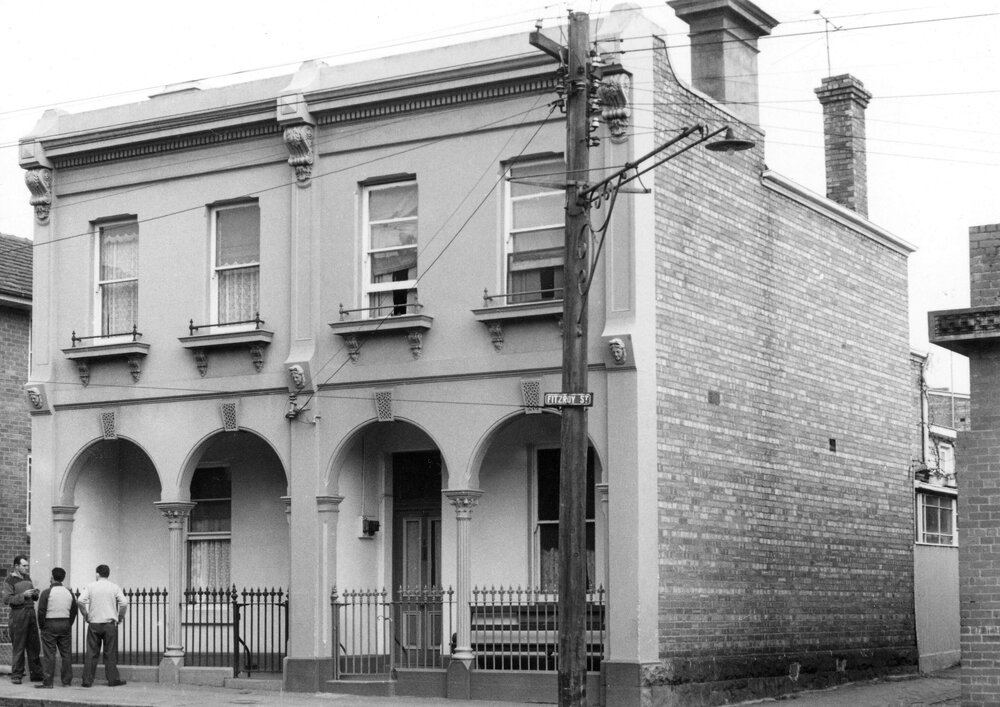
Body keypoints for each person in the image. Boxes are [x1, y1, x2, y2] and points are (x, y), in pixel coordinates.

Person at [77, 564, 128, 688]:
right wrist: (119, 617)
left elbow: (80, 601)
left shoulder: (90, 586)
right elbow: (124, 603)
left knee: (91, 653)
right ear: (108, 574)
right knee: (110, 653)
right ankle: (113, 679)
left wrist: (86, 615)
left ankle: (87, 680)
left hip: (94, 623)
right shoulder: (114, 587)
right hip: (110, 624)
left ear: (97, 574)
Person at [1, 555, 42, 684]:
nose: (26, 568)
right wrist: (23, 596)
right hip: (18, 614)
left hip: (30, 613)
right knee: (19, 646)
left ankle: (36, 674)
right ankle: (16, 675)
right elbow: (7, 600)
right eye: (24, 565)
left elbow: (33, 597)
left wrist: (35, 594)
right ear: (16, 566)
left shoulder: (27, 578)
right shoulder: (9, 580)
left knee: (34, 645)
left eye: (27, 565)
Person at [35, 567, 78, 688]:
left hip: (50, 624)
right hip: (65, 624)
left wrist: (42, 625)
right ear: (63, 578)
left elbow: (41, 611)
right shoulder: (69, 592)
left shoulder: (46, 592)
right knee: (66, 654)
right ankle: (67, 681)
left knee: (49, 654)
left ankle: (48, 682)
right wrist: (69, 623)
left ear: (52, 577)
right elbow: (74, 610)